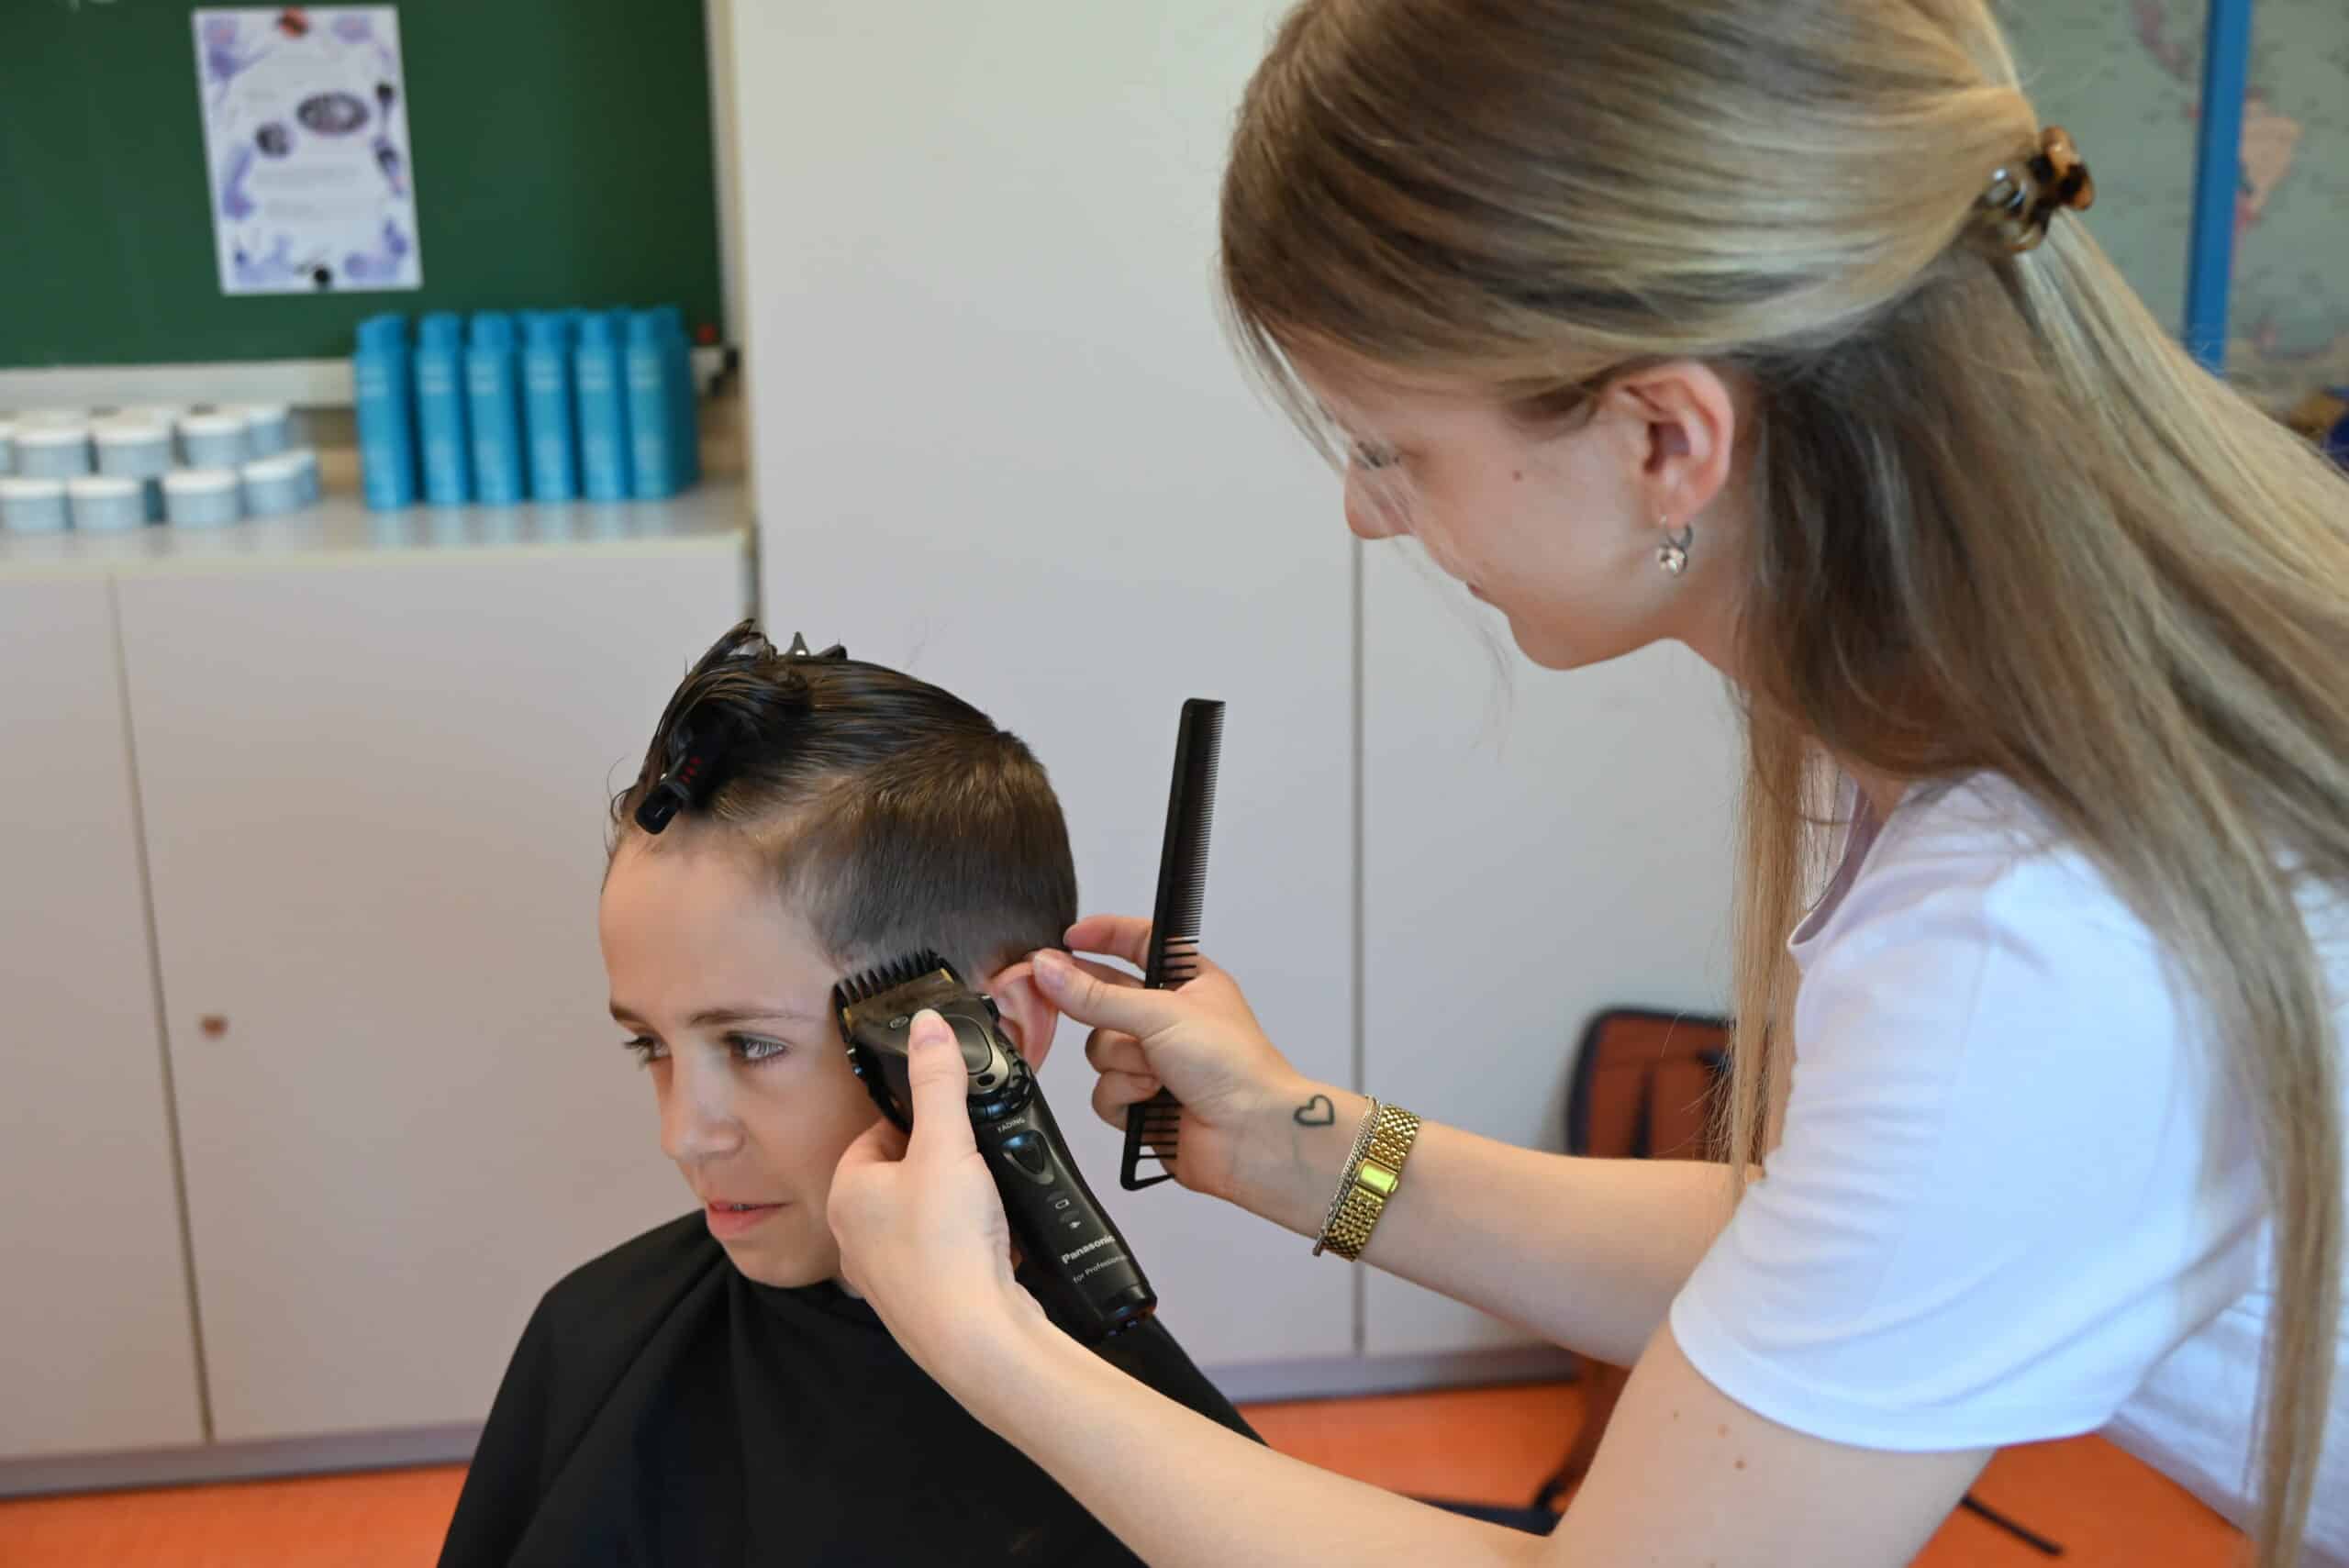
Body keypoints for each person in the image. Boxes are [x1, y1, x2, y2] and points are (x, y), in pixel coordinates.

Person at [823, 2, 2349, 1564]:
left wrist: (995, 1345)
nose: (1365, 511)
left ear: (1666, 439)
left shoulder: (2030, 945)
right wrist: (1302, 1146)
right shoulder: (1961, 700)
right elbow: (1824, 1244)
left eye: (1390, 447)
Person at [437, 624, 1253, 1568]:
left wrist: (1339, 1166)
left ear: (993, 1032)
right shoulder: (591, 1339)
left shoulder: (1156, 1457)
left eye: (752, 1043)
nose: (683, 1133)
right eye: (649, 1044)